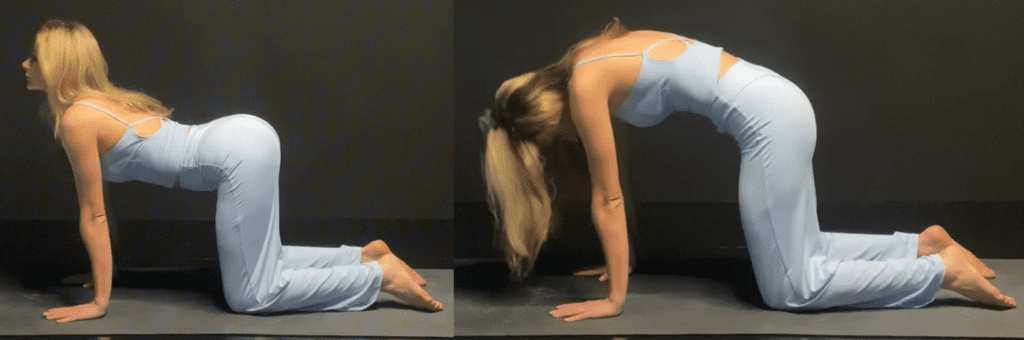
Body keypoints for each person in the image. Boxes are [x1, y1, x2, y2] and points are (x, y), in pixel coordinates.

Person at [480, 18, 1015, 322]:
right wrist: (620, 261)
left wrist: (615, 299)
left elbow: (608, 197)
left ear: (546, 119)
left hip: (770, 123)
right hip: (781, 101)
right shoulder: (593, 56)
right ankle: (918, 246)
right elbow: (624, 180)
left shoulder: (584, 85)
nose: (561, 145)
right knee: (804, 248)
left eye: (549, 143)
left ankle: (940, 273)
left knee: (790, 289)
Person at [22, 19, 442, 324]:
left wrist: (99, 301)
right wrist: (98, 277)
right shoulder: (106, 100)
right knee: (263, 259)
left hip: (235, 152)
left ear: (58, 66)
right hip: (245, 135)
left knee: (251, 295)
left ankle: (377, 276)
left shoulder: (78, 118)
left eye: (35, 57)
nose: (25, 65)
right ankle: (364, 256)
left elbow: (94, 215)